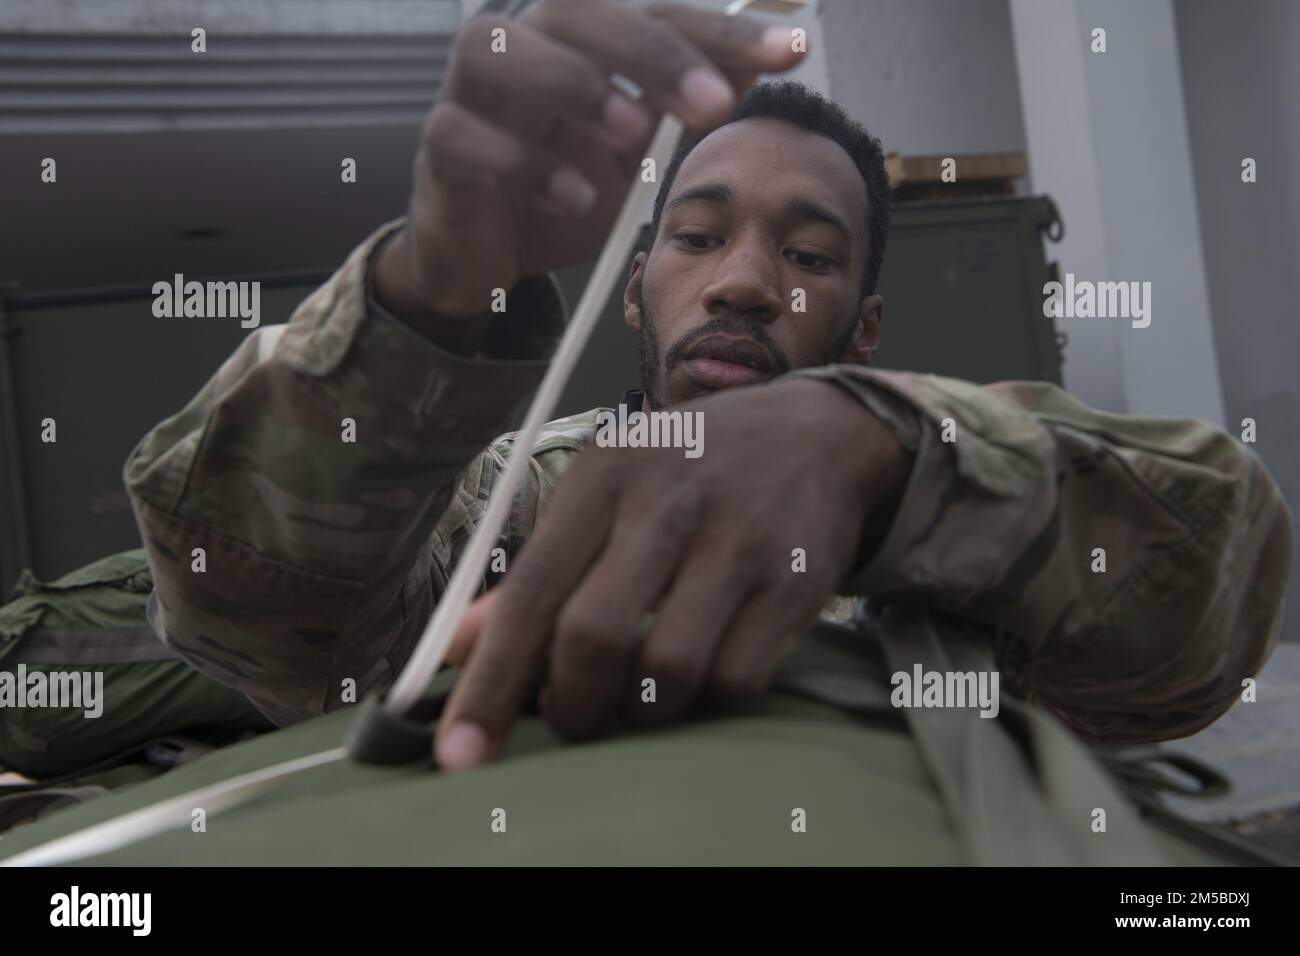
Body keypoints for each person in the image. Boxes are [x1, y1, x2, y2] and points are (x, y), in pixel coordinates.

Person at [123, 0, 1291, 776]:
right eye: (696, 237)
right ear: (632, 291)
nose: (743, 284)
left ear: (865, 325)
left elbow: (1211, 607)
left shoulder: (950, 495)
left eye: (809, 254)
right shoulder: (518, 490)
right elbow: (266, 628)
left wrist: (880, 465)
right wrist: (429, 289)